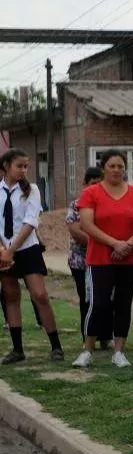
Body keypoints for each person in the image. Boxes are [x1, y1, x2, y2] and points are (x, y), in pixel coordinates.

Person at [72, 149, 133, 368]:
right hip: (100, 257)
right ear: (103, 168)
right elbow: (87, 224)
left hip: (131, 257)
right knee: (98, 303)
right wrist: (114, 243)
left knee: (123, 303)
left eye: (120, 166)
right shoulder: (91, 193)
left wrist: (127, 244)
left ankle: (118, 351)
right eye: (112, 166)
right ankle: (87, 349)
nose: (117, 170)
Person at [0, 148, 63, 364]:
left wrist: (11, 249)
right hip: (3, 249)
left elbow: (30, 222)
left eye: (26, 166)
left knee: (40, 295)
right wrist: (3, 249)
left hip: (27, 248)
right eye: (19, 166)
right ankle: (17, 349)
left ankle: (56, 346)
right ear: (6, 166)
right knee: (10, 294)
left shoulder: (32, 190)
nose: (23, 170)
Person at [66, 167, 112, 350]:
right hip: (80, 261)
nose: (96, 187)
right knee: (87, 299)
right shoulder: (75, 205)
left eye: (99, 183)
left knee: (106, 299)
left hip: (105, 260)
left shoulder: (107, 203)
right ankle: (88, 338)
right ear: (85, 185)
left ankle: (106, 336)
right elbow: (75, 230)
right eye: (92, 183)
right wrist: (101, 241)